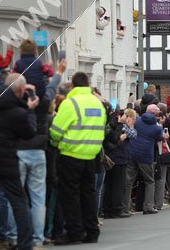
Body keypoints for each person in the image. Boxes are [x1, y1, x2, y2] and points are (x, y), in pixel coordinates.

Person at [6, 60, 65, 248]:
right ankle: (38, 238)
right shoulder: (41, 101)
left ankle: (13, 235)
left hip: (18, 152)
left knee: (14, 196)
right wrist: (58, 73)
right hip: (38, 150)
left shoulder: (8, 104)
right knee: (39, 198)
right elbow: (51, 89)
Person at [49, 72, 106, 245]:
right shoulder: (97, 104)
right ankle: (92, 231)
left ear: (73, 86)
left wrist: (54, 141)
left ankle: (74, 232)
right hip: (91, 156)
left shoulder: (70, 104)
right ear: (88, 85)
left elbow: (56, 131)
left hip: (71, 155)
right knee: (88, 194)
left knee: (71, 195)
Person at [0, 74, 39, 250]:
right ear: (21, 90)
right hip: (6, 158)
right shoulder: (18, 112)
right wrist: (30, 110)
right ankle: (25, 243)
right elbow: (29, 133)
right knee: (19, 200)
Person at [125, 104, 165, 215]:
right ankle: (148, 206)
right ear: (156, 114)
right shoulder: (157, 128)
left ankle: (125, 207)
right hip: (146, 155)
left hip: (132, 152)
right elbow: (158, 139)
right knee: (149, 181)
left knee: (128, 181)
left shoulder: (137, 121)